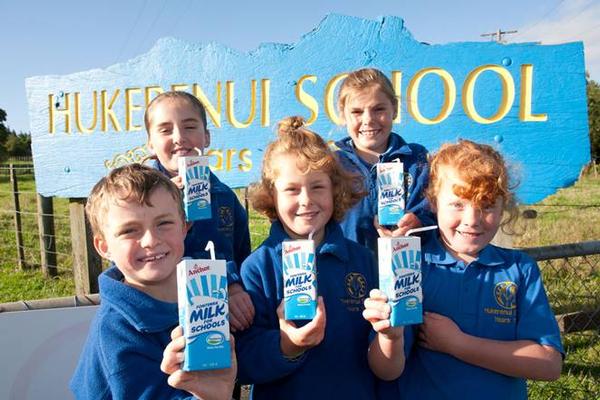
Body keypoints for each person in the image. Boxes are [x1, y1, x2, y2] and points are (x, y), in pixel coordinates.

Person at [370, 139, 564, 399]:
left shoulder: (520, 269)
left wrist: (458, 344)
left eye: (486, 205)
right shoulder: (410, 265)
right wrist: (391, 337)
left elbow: (549, 365)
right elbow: (386, 371)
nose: (472, 220)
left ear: (503, 206)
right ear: (434, 202)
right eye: (458, 204)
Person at [235, 116, 403, 399]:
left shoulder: (364, 261)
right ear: (271, 196)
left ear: (335, 191)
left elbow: (388, 368)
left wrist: (390, 334)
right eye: (291, 189)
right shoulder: (258, 267)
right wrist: (288, 345)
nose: (306, 200)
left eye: (317, 187)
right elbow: (244, 365)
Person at [70, 164, 236, 400]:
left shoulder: (204, 292)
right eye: (129, 230)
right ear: (104, 247)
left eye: (163, 223)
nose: (150, 240)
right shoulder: (116, 333)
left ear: (185, 227)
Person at [144, 91, 254, 333]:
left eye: (189, 127)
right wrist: (162, 203)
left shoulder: (225, 198)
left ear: (206, 137)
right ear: (150, 143)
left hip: (215, 317)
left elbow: (239, 254)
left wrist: (234, 285)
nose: (179, 137)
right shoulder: (139, 199)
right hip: (159, 316)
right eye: (165, 130)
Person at [333, 67, 433, 253]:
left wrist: (417, 224)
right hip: (348, 275)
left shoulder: (417, 160)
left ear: (394, 109)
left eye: (379, 109)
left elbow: (436, 215)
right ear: (343, 114)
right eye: (357, 112)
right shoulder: (332, 166)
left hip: (406, 271)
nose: (368, 120)